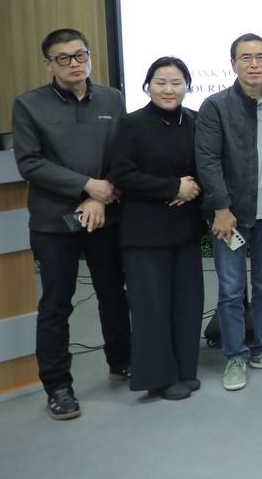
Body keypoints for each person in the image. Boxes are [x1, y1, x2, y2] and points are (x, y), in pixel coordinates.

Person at [13, 28, 130, 420]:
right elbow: (30, 163)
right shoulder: (29, 105)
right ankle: (58, 386)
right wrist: (86, 187)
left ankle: (122, 361)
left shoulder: (112, 98)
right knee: (56, 304)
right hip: (53, 222)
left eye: (81, 55)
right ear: (49, 64)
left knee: (113, 293)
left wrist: (99, 194)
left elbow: (123, 151)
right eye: (63, 58)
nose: (74, 63)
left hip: (105, 214)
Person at [195, 33, 262, 392]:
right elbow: (208, 161)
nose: (254, 64)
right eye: (246, 57)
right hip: (231, 217)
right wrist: (221, 208)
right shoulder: (216, 106)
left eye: (261, 57)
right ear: (233, 63)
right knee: (231, 289)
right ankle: (235, 355)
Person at [107, 57, 206, 400]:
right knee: (151, 307)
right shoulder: (131, 124)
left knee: (187, 302)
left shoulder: (195, 120)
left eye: (176, 82)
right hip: (145, 231)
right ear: (148, 86)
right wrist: (171, 188)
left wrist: (192, 188)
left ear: (187, 86)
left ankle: (184, 369)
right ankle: (158, 377)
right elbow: (121, 175)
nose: (168, 89)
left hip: (185, 227)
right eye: (160, 82)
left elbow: (208, 165)